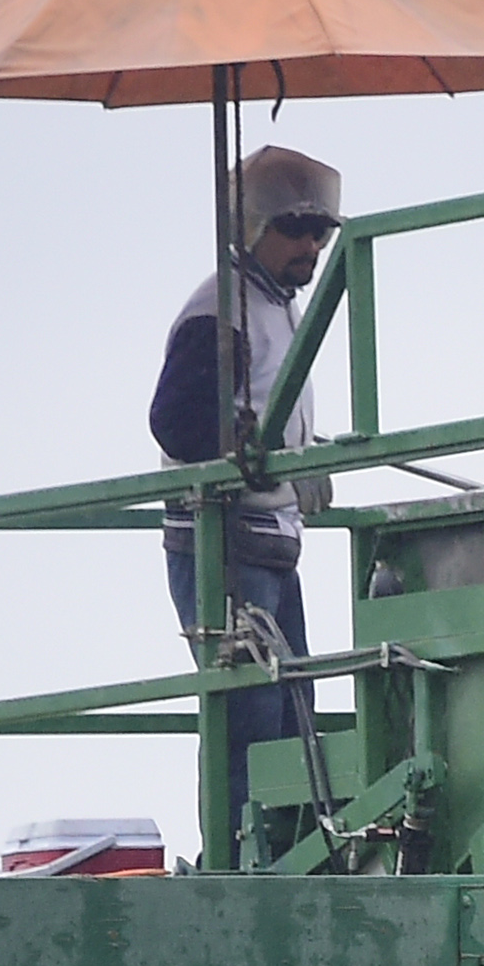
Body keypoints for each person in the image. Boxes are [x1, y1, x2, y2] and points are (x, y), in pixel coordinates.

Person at [148, 144, 342, 771]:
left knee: (291, 716)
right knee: (250, 722)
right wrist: (252, 451)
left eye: (319, 232)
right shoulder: (220, 308)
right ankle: (234, 857)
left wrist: (304, 452)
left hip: (268, 542)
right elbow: (175, 422)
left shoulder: (273, 304)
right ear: (254, 227)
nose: (310, 246)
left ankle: (282, 857)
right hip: (226, 543)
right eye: (294, 229)